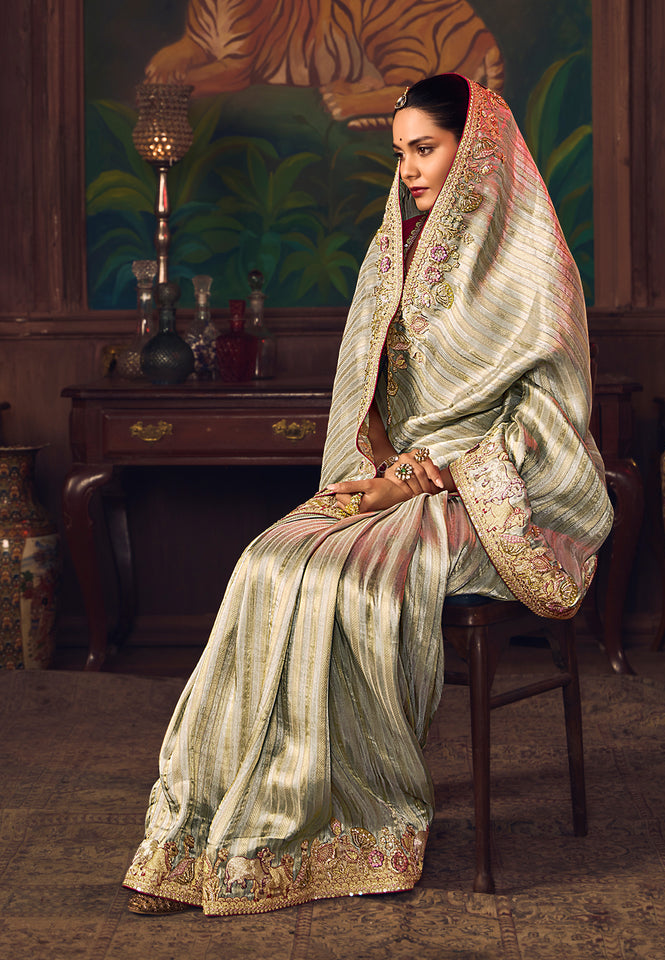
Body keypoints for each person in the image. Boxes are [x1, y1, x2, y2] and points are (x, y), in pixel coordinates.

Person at [124, 73, 613, 917]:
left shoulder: (536, 262)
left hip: (499, 496)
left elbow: (552, 421)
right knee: (269, 562)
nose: (410, 170)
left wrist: (444, 472)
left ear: (479, 149)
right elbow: (376, 397)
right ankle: (201, 830)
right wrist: (390, 467)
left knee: (349, 581)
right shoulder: (402, 250)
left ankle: (334, 827)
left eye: (426, 149)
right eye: (400, 154)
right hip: (407, 477)